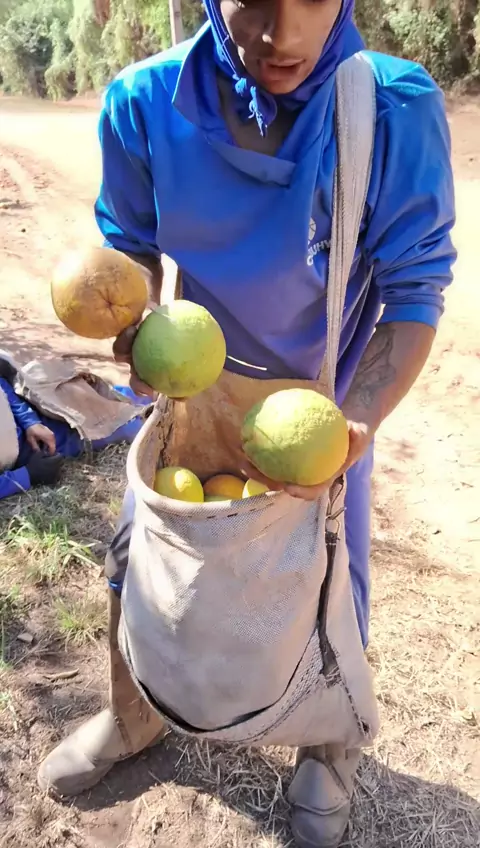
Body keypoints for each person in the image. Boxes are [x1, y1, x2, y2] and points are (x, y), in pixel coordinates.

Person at [37, 1, 456, 845]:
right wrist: (130, 315)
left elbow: (415, 292)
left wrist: (355, 425)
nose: (281, 35)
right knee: (142, 553)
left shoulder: (392, 108)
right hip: (193, 396)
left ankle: (328, 747)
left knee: (328, 578)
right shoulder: (143, 101)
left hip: (321, 408)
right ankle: (132, 714)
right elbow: (131, 248)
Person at [0, 354, 146, 501]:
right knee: (128, 428)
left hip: (24, 405)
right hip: (29, 446)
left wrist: (30, 421)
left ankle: (143, 396)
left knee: (91, 393)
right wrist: (27, 475)